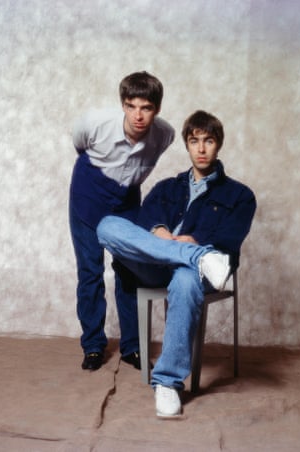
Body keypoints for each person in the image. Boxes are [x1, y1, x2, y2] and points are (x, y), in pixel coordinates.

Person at [96, 110, 256, 417]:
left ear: (218, 144)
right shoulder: (167, 187)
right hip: (159, 264)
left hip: (204, 272)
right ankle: (196, 258)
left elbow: (229, 240)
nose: (201, 148)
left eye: (208, 140)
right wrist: (157, 231)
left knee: (185, 278)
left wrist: (194, 241)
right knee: (107, 226)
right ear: (186, 144)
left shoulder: (240, 195)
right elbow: (143, 223)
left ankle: (167, 383)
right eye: (194, 141)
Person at [69, 71, 175, 372]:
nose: (138, 115)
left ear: (157, 109)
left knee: (130, 271)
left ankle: (133, 348)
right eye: (131, 106)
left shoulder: (164, 134)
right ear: (122, 104)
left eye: (147, 108)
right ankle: (92, 346)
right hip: (89, 193)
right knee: (90, 272)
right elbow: (80, 146)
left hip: (127, 199)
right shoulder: (96, 123)